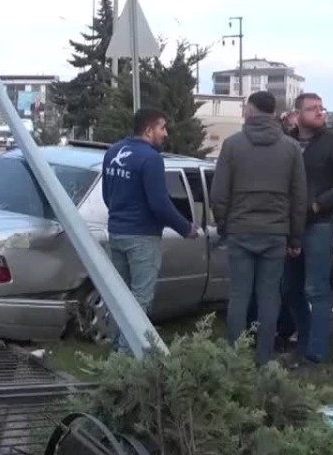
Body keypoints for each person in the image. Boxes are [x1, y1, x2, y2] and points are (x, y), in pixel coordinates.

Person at [212, 90, 307, 365]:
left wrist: (223, 224)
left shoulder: (232, 145)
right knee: (269, 297)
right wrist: (295, 237)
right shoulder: (291, 148)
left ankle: (234, 359)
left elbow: (219, 192)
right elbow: (299, 196)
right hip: (276, 233)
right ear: (274, 112)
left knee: (239, 295)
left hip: (240, 230)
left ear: (250, 112)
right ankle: (264, 359)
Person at [101, 108, 198, 355]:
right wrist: (185, 228)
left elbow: (107, 195)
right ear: (148, 130)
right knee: (139, 300)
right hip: (142, 237)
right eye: (162, 128)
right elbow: (159, 203)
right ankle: (124, 360)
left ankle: (115, 348)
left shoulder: (112, 152)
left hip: (116, 232)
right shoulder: (151, 158)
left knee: (118, 296)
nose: (165, 133)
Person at [283, 92, 333, 365]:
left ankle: (316, 354)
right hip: (288, 225)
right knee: (289, 288)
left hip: (319, 224)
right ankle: (303, 340)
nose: (319, 112)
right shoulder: (287, 141)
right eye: (312, 109)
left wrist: (320, 204)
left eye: (321, 108)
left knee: (316, 289)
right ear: (297, 114)